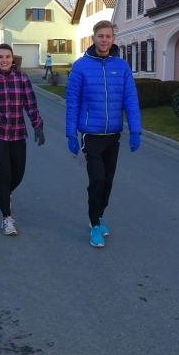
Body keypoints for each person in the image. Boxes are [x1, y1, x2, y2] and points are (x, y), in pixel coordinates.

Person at [65, 20, 141, 248]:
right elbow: (72, 102)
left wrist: (135, 130)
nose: (104, 40)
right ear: (94, 38)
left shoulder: (122, 66)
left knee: (107, 181)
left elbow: (130, 100)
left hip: (113, 135)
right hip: (91, 135)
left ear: (113, 39)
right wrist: (71, 133)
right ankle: (95, 223)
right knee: (97, 180)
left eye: (108, 36)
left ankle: (99, 215)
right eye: (101, 36)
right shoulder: (81, 66)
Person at [0, 43, 45, 236]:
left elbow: (31, 104)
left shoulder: (22, 78)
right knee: (4, 176)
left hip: (18, 134)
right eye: (0, 57)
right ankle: (7, 218)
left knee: (17, 175)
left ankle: (5, 193)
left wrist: (38, 126)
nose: (4, 60)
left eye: (7, 56)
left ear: (12, 59)